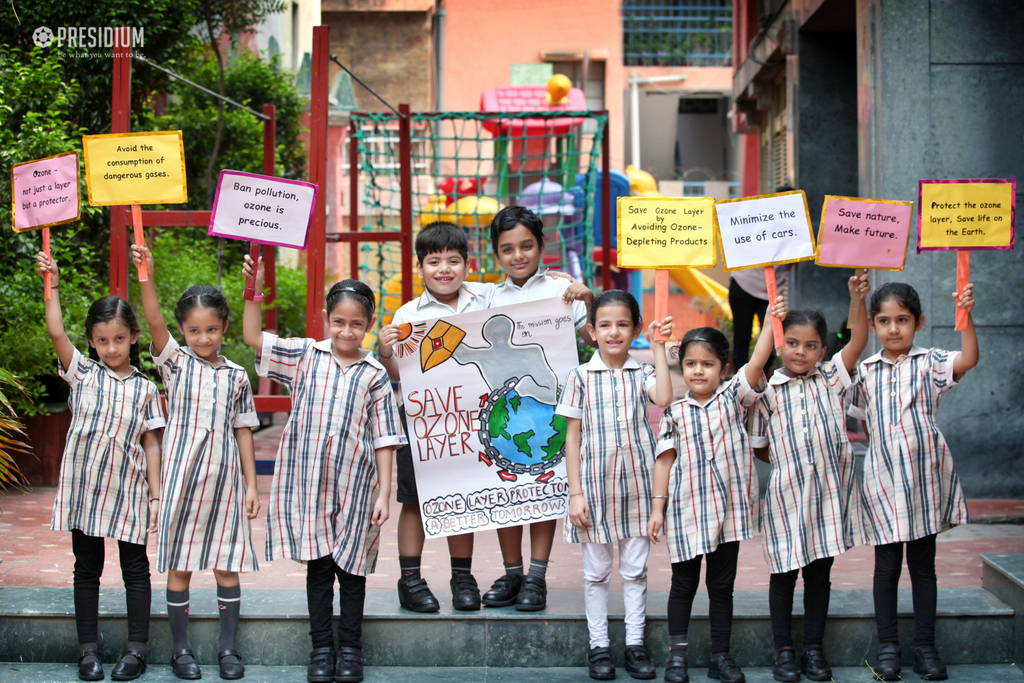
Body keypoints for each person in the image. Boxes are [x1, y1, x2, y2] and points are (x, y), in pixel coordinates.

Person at [242, 258, 404, 683]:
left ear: (369, 324)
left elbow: (385, 438)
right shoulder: (304, 356)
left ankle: (350, 650)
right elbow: (252, 337)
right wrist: (253, 292)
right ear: (325, 319)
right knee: (318, 568)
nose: (347, 332)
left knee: (352, 571)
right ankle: (321, 650)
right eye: (338, 322)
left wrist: (384, 493)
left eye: (356, 324)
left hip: (356, 489)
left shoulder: (374, 375)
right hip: (308, 485)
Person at [133, 245, 261, 681]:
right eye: (193, 330)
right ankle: (181, 651)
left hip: (225, 483)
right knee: (180, 565)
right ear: (183, 332)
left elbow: (243, 429)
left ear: (224, 326)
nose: (202, 338)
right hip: (182, 480)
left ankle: (228, 649)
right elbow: (152, 317)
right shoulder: (175, 364)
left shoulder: (237, 376)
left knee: (227, 564)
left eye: (211, 329)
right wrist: (145, 273)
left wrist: (251, 485)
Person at [36, 253, 164, 682]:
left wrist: (156, 494)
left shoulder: (147, 389)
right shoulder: (83, 374)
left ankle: (136, 651)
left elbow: (151, 444)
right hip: (85, 489)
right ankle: (87, 652)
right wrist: (50, 282)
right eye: (102, 340)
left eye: (120, 339)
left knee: (135, 569)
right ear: (92, 341)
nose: (111, 348)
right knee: (86, 569)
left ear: (133, 338)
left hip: (127, 489)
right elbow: (55, 330)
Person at [850, 281, 978, 681]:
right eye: (884, 321)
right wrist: (856, 298)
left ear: (918, 322)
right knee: (886, 567)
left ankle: (925, 647)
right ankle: (888, 648)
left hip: (925, 479)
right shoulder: (865, 372)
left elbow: (968, 359)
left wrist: (966, 314)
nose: (893, 329)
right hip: (884, 479)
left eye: (902, 320)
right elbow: (857, 416)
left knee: (923, 567)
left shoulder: (931, 362)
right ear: (873, 324)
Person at [747, 271, 870, 682]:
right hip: (784, 497)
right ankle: (784, 651)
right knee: (782, 576)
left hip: (827, 498)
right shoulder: (766, 391)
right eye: (793, 343)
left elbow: (856, 342)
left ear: (822, 349)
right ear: (781, 343)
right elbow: (760, 445)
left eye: (811, 345)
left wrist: (857, 298)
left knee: (820, 574)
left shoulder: (833, 378)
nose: (801, 352)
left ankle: (813, 650)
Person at [648, 304, 779, 683]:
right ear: (682, 368)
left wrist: (771, 317)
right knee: (683, 585)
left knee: (722, 587)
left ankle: (720, 656)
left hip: (730, 512)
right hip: (687, 511)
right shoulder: (674, 412)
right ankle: (677, 658)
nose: (698, 371)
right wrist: (659, 509)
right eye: (691, 364)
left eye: (707, 364)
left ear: (723, 367)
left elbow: (757, 359)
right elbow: (664, 462)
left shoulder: (733, 397)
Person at [376, 222, 498, 613]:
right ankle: (410, 581)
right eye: (434, 261)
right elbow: (398, 375)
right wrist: (384, 351)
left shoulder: (486, 301)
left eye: (453, 260)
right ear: (420, 267)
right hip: (423, 419)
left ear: (467, 264)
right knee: (413, 500)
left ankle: (462, 576)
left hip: (472, 418)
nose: (444, 269)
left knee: (463, 495)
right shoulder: (409, 313)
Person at [480, 205, 595, 612]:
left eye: (527, 246)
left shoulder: (561, 293)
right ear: (496, 254)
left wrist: (589, 298)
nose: (518, 256)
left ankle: (536, 577)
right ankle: (512, 573)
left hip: (550, 411)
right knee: (506, 492)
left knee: (543, 492)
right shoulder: (486, 297)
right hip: (507, 417)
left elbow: (598, 339)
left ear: (542, 245)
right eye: (507, 249)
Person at [560, 290, 674, 681]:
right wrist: (575, 494)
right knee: (595, 573)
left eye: (623, 325)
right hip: (592, 490)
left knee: (635, 570)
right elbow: (571, 438)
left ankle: (635, 644)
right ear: (591, 331)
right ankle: (599, 646)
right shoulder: (579, 376)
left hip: (638, 490)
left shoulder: (642, 372)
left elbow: (663, 396)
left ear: (636, 329)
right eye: (605, 325)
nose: (613, 333)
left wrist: (658, 347)